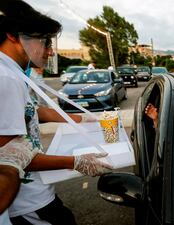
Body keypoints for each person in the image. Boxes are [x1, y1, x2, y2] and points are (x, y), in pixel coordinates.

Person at [0, 1, 112, 224]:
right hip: (27, 202)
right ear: (13, 35)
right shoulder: (7, 78)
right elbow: (9, 157)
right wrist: (75, 161)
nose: (50, 51)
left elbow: (35, 111)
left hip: (33, 193)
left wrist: (83, 118)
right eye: (44, 42)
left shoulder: (14, 73)